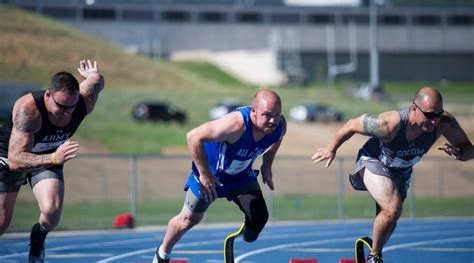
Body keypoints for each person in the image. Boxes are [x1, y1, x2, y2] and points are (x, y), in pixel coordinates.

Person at [311, 87, 473, 263]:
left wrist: (460, 154)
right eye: (428, 115)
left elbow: (469, 149)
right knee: (393, 207)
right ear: (413, 108)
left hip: (402, 171)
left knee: (392, 217)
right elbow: (352, 124)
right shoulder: (389, 125)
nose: (433, 121)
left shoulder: (444, 122)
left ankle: (373, 253)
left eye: (437, 115)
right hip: (374, 160)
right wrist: (331, 148)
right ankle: (374, 257)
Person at [153, 89, 286, 263]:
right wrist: (205, 173)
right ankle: (162, 254)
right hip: (211, 176)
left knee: (259, 218)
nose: (272, 121)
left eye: (277, 115)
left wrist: (267, 165)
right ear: (253, 111)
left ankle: (246, 229)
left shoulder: (279, 126)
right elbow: (193, 137)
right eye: (267, 115)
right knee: (188, 220)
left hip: (241, 176)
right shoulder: (235, 125)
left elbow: (277, 138)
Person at [0, 60, 105, 262]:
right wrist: (54, 157)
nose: (66, 113)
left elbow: (97, 82)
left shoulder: (85, 101)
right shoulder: (29, 111)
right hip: (11, 154)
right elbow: (15, 160)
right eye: (61, 106)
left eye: (71, 107)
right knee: (2, 223)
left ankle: (38, 238)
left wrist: (93, 75)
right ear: (48, 95)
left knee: (52, 212)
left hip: (49, 154)